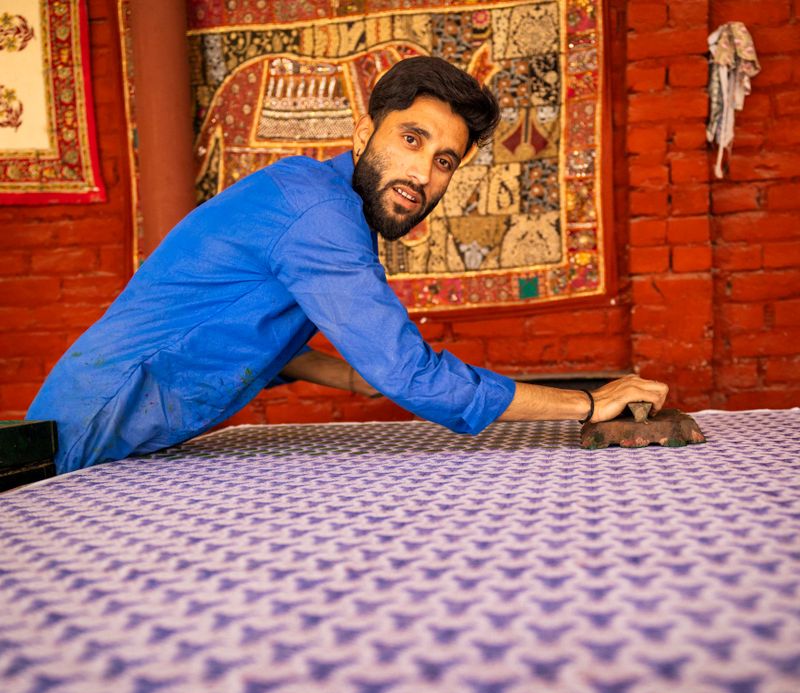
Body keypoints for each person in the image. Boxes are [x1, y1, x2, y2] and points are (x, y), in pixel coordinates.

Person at [27, 56, 668, 474]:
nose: (422, 172)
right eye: (410, 139)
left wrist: (354, 374)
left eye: (445, 160)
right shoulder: (319, 216)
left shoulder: (314, 201)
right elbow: (414, 377)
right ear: (365, 136)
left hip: (116, 438)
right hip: (87, 440)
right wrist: (587, 404)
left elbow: (230, 325)